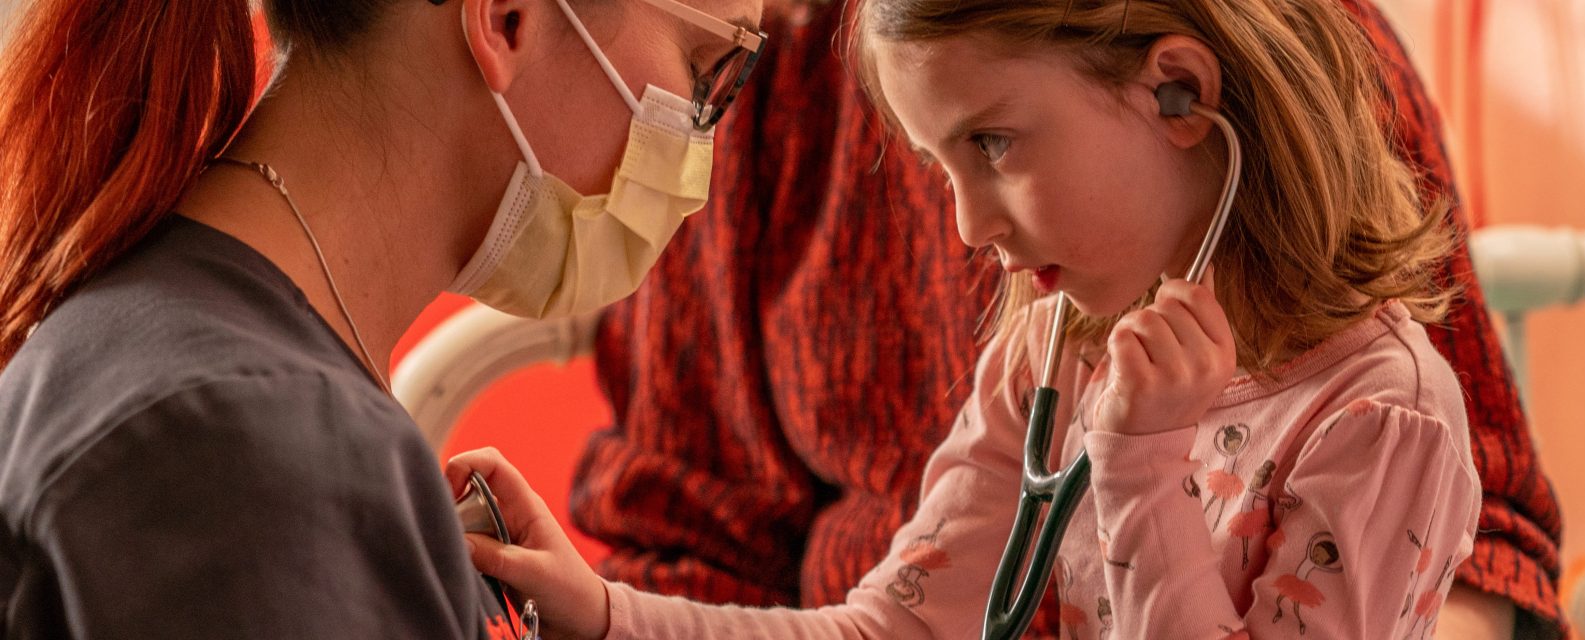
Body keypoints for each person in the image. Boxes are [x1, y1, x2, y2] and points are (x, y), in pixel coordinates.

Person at [452, 0, 1528, 636]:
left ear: (1179, 97)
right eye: (939, 166)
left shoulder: (1381, 423)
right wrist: (602, 612)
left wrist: (1142, 469)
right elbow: (891, 626)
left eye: (992, 145)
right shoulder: (1051, 359)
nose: (965, 229)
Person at [0, 0, 762, 635]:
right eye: (704, 72)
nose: (699, 150)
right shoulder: (251, 452)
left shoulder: (204, 364)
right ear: (506, 20)